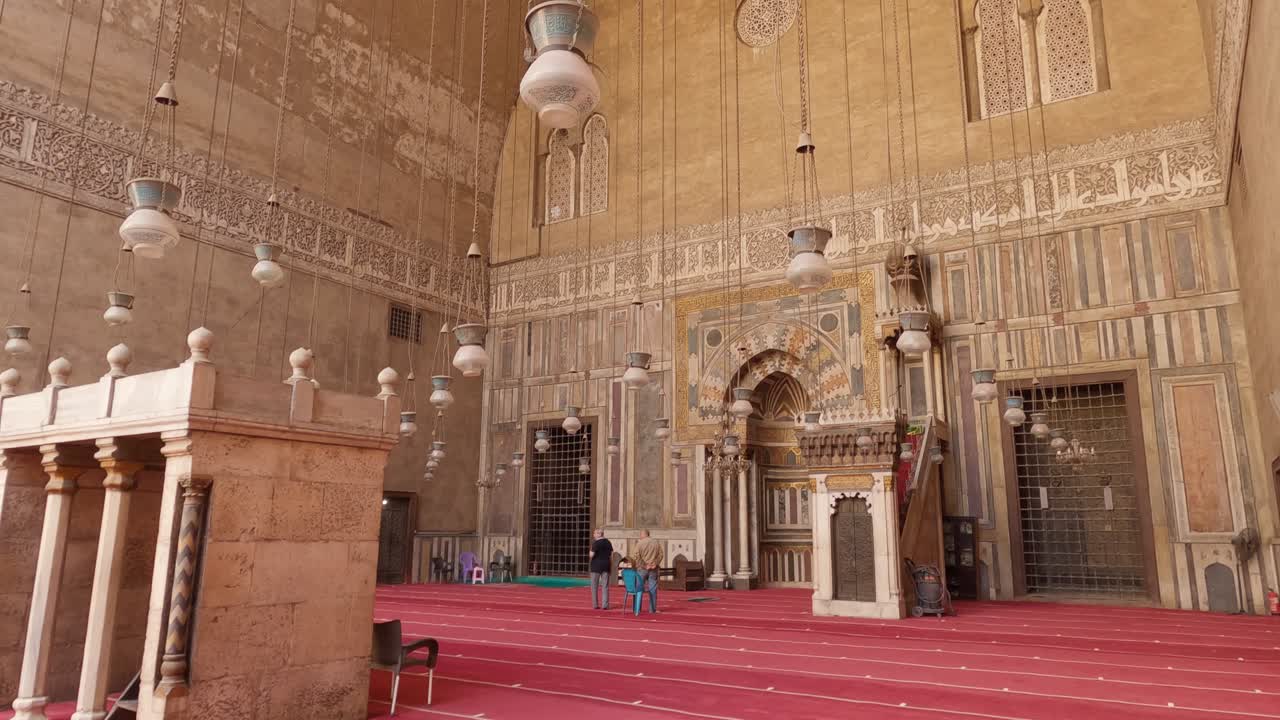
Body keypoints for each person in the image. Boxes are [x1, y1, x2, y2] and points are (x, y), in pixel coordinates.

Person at [631, 529, 664, 616]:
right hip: (653, 569)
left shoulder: (640, 543)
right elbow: (661, 554)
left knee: (639, 588)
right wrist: (654, 563)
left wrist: (645, 565)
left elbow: (636, 556)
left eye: (640, 534)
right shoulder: (656, 543)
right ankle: (652, 609)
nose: (639, 536)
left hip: (642, 569)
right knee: (652, 589)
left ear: (643, 534)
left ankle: (637, 608)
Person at [588, 529, 613, 610]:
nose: (593, 535)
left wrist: (591, 550)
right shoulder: (608, 542)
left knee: (594, 586)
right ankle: (605, 605)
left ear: (599, 534)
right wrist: (610, 566)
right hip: (606, 565)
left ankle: (595, 604)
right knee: (605, 586)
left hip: (596, 566)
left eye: (594, 533)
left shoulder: (595, 543)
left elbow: (591, 555)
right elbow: (611, 556)